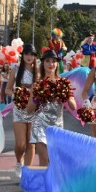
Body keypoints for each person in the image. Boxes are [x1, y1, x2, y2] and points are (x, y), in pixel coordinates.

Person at [27, 50, 77, 167]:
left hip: (57, 126)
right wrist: (36, 98)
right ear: (43, 64)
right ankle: (45, 185)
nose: (51, 64)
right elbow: (29, 109)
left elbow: (73, 106)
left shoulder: (63, 83)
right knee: (44, 160)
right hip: (40, 125)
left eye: (54, 61)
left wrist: (67, 98)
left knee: (55, 161)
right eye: (47, 61)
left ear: (57, 64)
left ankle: (53, 184)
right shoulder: (37, 85)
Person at [5, 43, 38, 178]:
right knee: (20, 143)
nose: (29, 57)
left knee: (31, 143)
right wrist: (15, 95)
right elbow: (7, 89)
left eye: (32, 54)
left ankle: (28, 172)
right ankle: (19, 161)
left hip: (34, 110)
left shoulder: (39, 71)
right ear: (22, 55)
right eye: (27, 54)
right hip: (19, 109)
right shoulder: (16, 69)